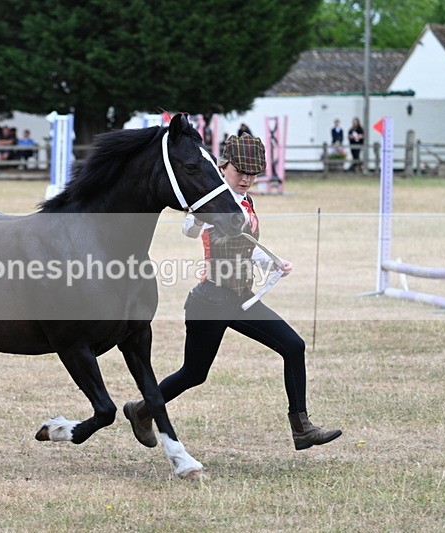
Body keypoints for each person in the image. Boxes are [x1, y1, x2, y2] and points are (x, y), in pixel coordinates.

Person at [123, 134, 342, 452]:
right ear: (223, 167)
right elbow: (190, 229)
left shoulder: (247, 203)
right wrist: (200, 219)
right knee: (194, 373)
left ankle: (302, 428)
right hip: (210, 300)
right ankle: (141, 411)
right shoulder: (212, 201)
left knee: (293, 346)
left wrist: (275, 262)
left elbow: (248, 248)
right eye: (241, 171)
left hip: (241, 298)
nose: (247, 179)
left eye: (253, 174)